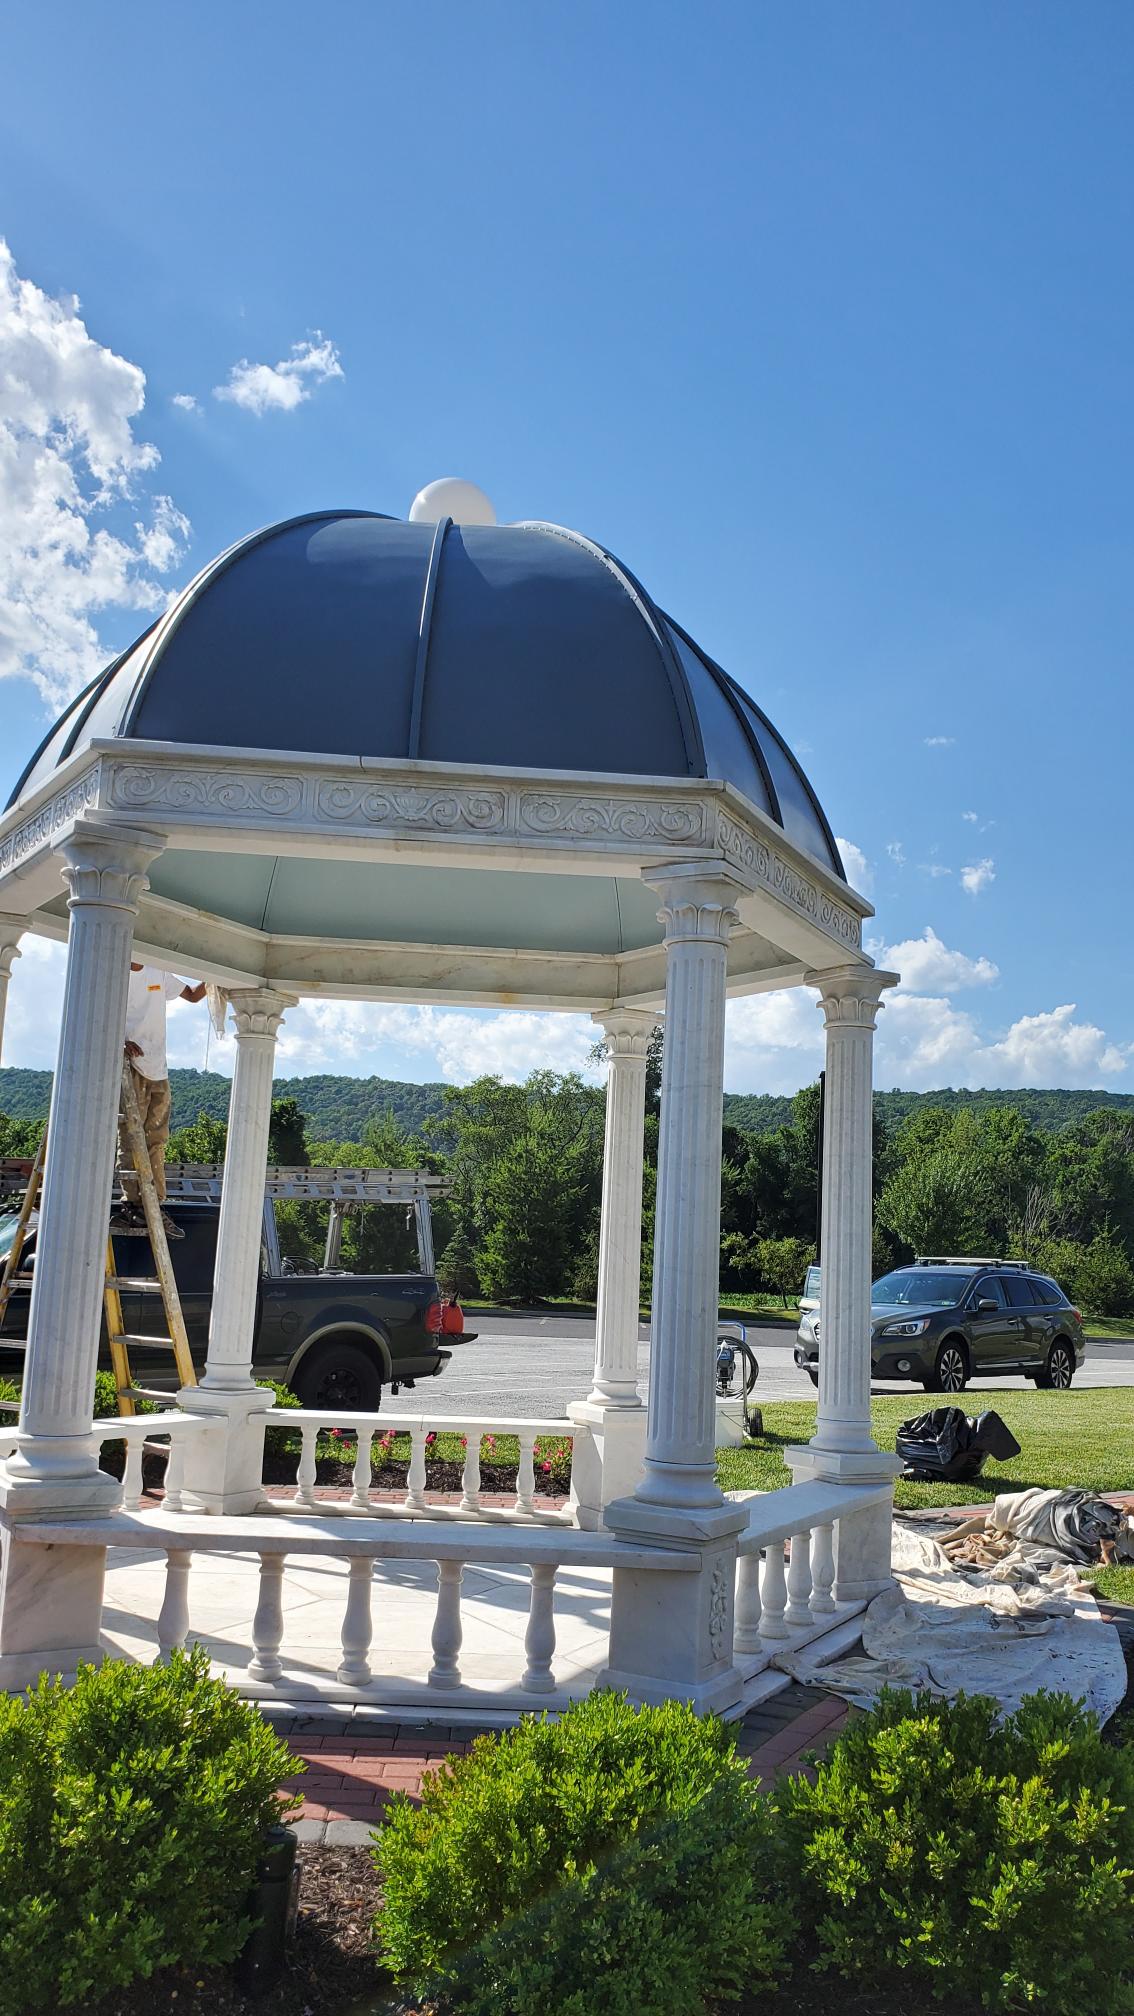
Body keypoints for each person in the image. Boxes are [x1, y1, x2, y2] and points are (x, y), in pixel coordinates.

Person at [111, 962, 206, 1240]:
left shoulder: (157, 970)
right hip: (130, 1064)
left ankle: (153, 1203)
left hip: (157, 1068)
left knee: (157, 1138)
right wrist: (118, 1042)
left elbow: (192, 995)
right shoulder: (114, 972)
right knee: (131, 1135)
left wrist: (218, 979)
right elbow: (95, 1014)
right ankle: (133, 1203)